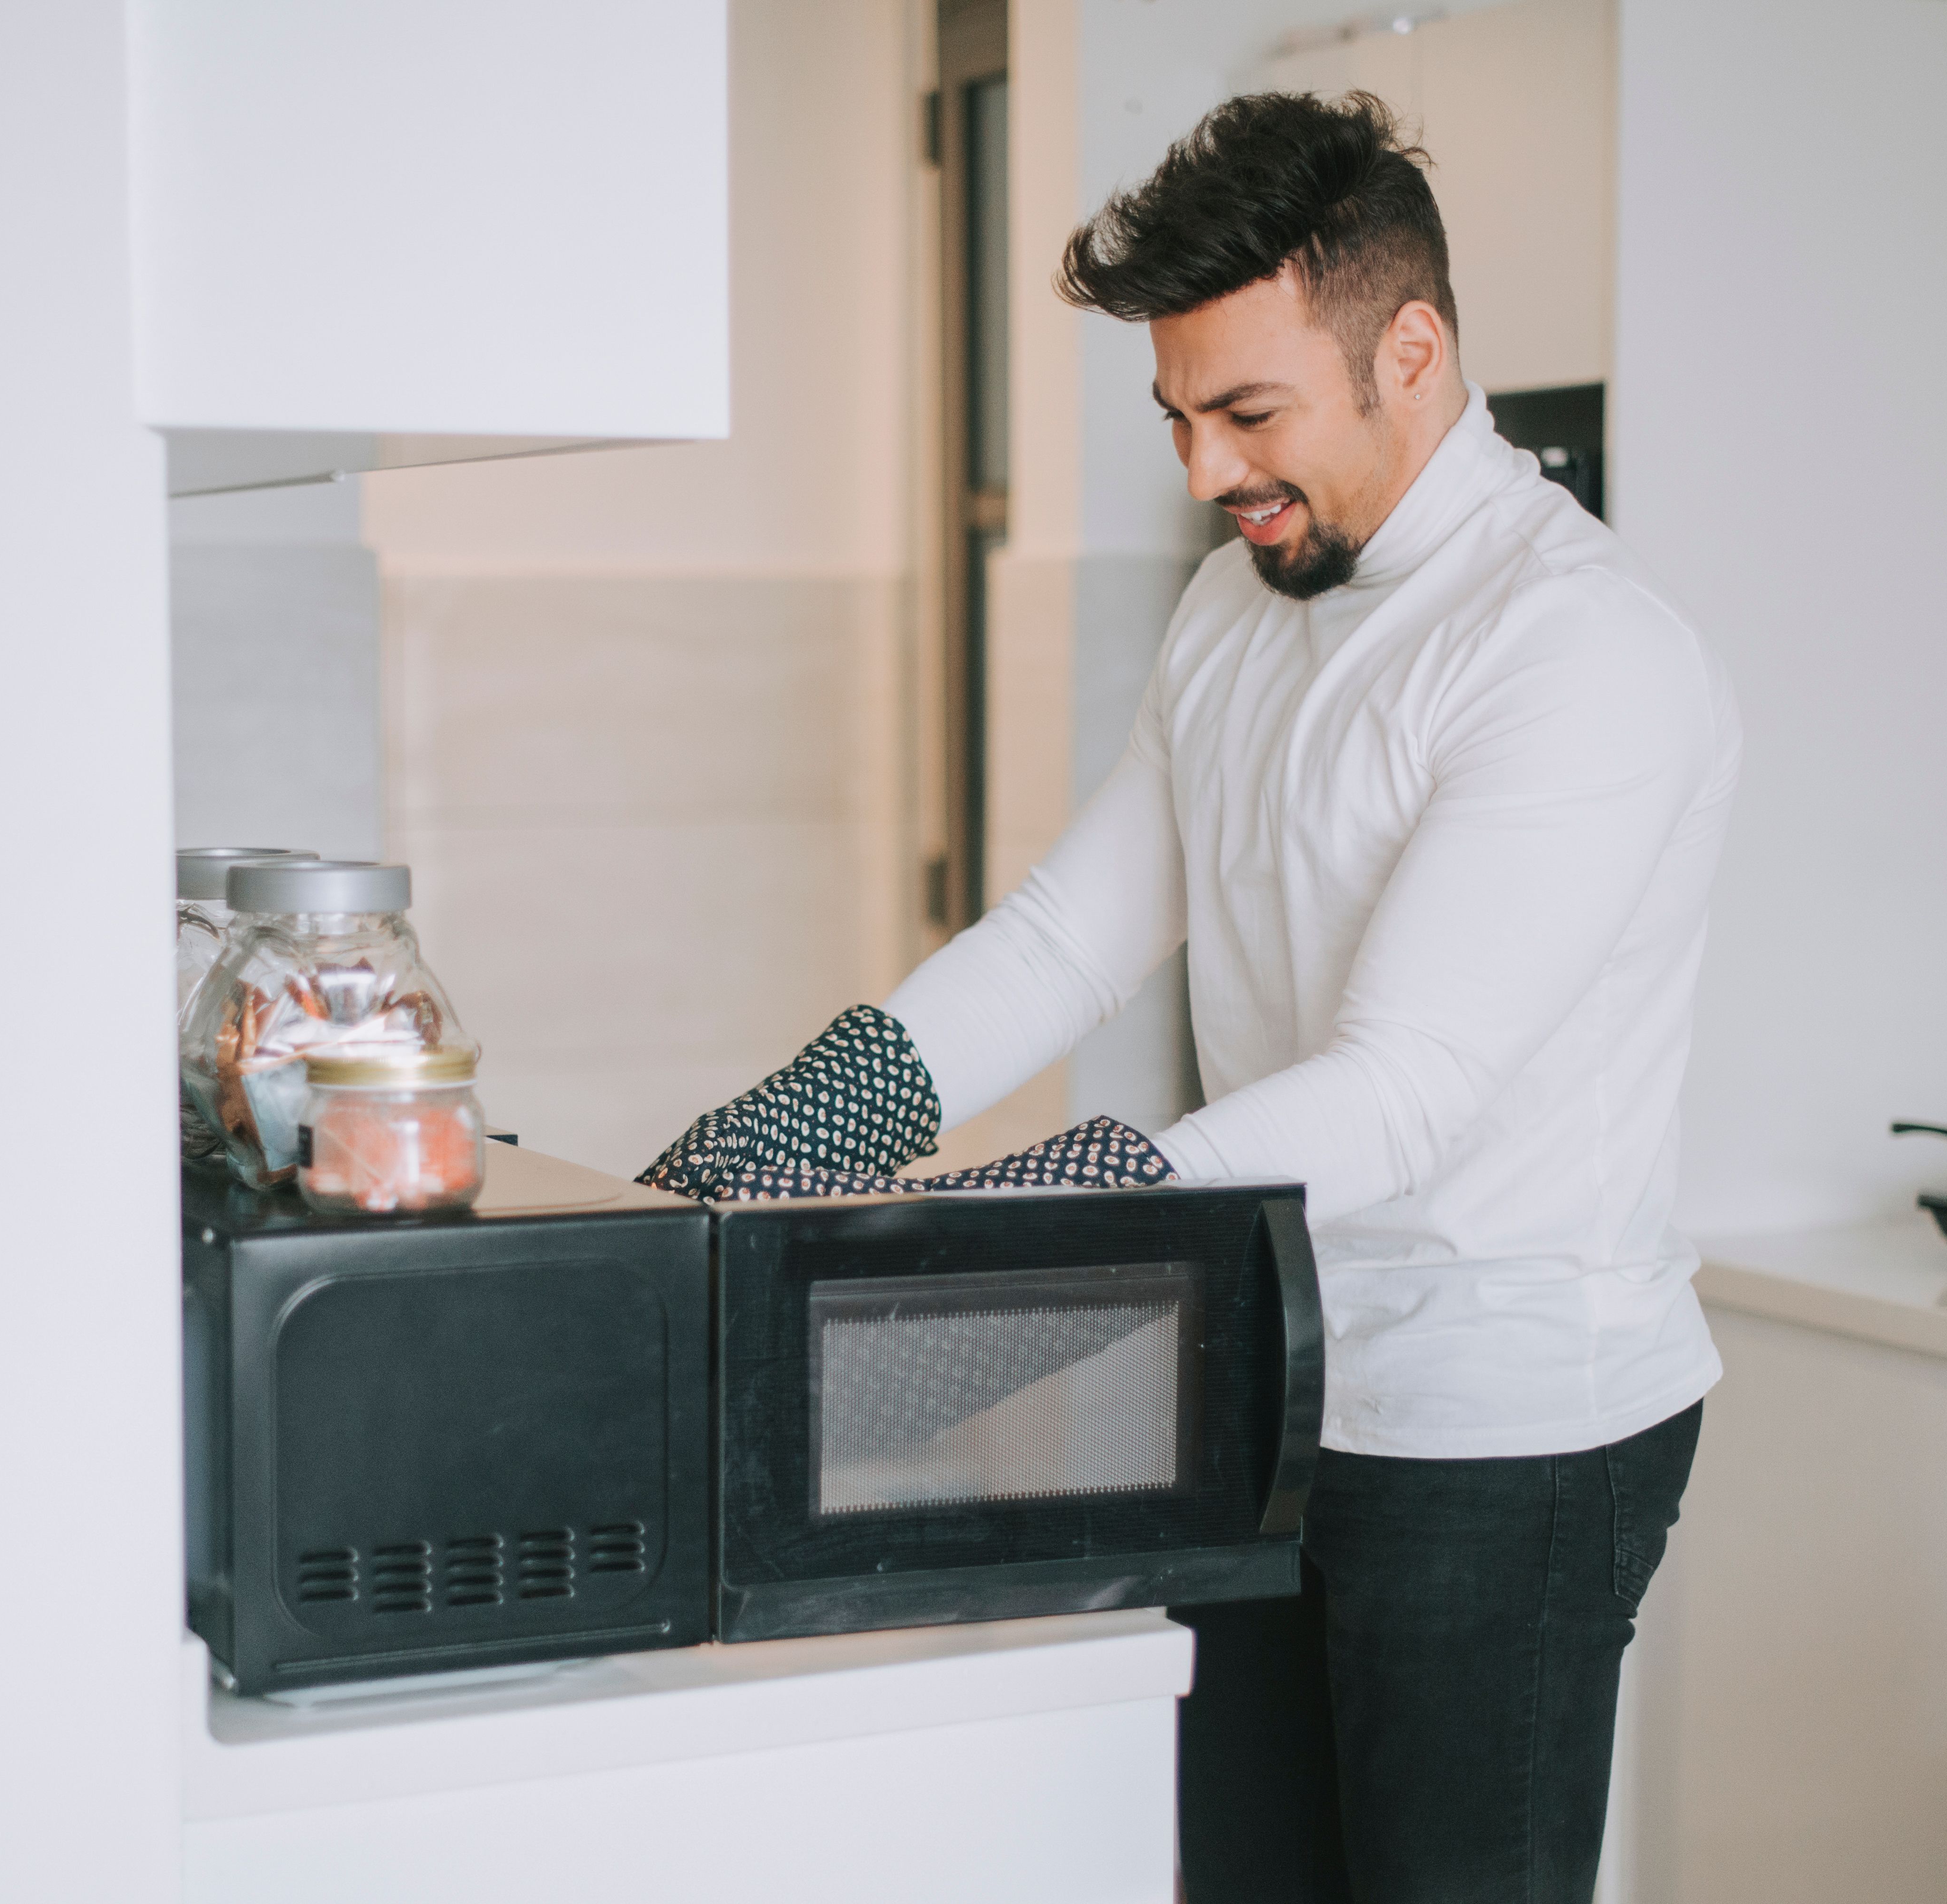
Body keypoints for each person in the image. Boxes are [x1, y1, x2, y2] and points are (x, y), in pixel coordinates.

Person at [641, 89, 1738, 1903]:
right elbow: (1065, 943)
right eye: (1178, 418)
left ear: (1412, 350)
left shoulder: (1579, 652)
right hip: (1274, 1384)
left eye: (1250, 412)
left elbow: (1405, 1090)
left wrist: (1013, 1227)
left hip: (1508, 1428)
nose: (1209, 470)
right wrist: (758, 1150)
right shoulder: (1240, 610)